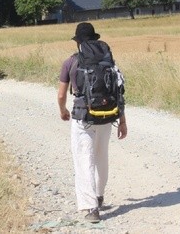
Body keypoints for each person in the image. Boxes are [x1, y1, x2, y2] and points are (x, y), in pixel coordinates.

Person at [57, 22, 127, 224]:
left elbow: (62, 94)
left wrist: (63, 110)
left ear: (78, 41)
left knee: (84, 159)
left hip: (82, 118)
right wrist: (122, 121)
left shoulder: (70, 62)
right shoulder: (109, 62)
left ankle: (91, 207)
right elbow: (118, 91)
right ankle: (99, 195)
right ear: (95, 40)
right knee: (101, 156)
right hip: (107, 116)